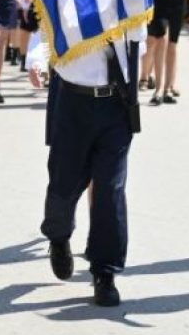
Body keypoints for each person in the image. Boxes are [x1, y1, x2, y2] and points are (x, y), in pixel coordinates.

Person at [27, 18, 144, 307]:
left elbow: (139, 37)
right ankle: (59, 235)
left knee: (110, 189)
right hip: (72, 100)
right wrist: (36, 60)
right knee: (63, 183)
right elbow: (46, 29)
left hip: (115, 102)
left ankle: (105, 272)